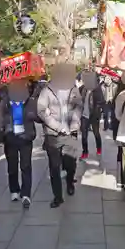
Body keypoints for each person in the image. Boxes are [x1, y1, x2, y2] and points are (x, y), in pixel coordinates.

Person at [38, 64, 82, 208]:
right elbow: (41, 111)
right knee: (54, 166)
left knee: (70, 162)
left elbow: (79, 106)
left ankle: (70, 182)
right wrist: (57, 126)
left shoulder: (73, 89)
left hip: (71, 132)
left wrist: (74, 122)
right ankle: (58, 196)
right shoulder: (47, 91)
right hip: (53, 134)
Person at [0, 79, 36, 208]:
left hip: (25, 137)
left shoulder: (30, 102)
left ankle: (26, 194)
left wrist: (31, 115)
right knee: (12, 166)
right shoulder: (6, 102)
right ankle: (14, 190)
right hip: (10, 137)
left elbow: (38, 116)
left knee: (26, 165)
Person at [79, 74, 105, 159]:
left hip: (94, 115)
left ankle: (99, 148)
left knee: (96, 133)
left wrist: (97, 108)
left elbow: (101, 101)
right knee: (84, 135)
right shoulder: (83, 88)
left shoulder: (97, 89)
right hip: (84, 115)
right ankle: (85, 152)